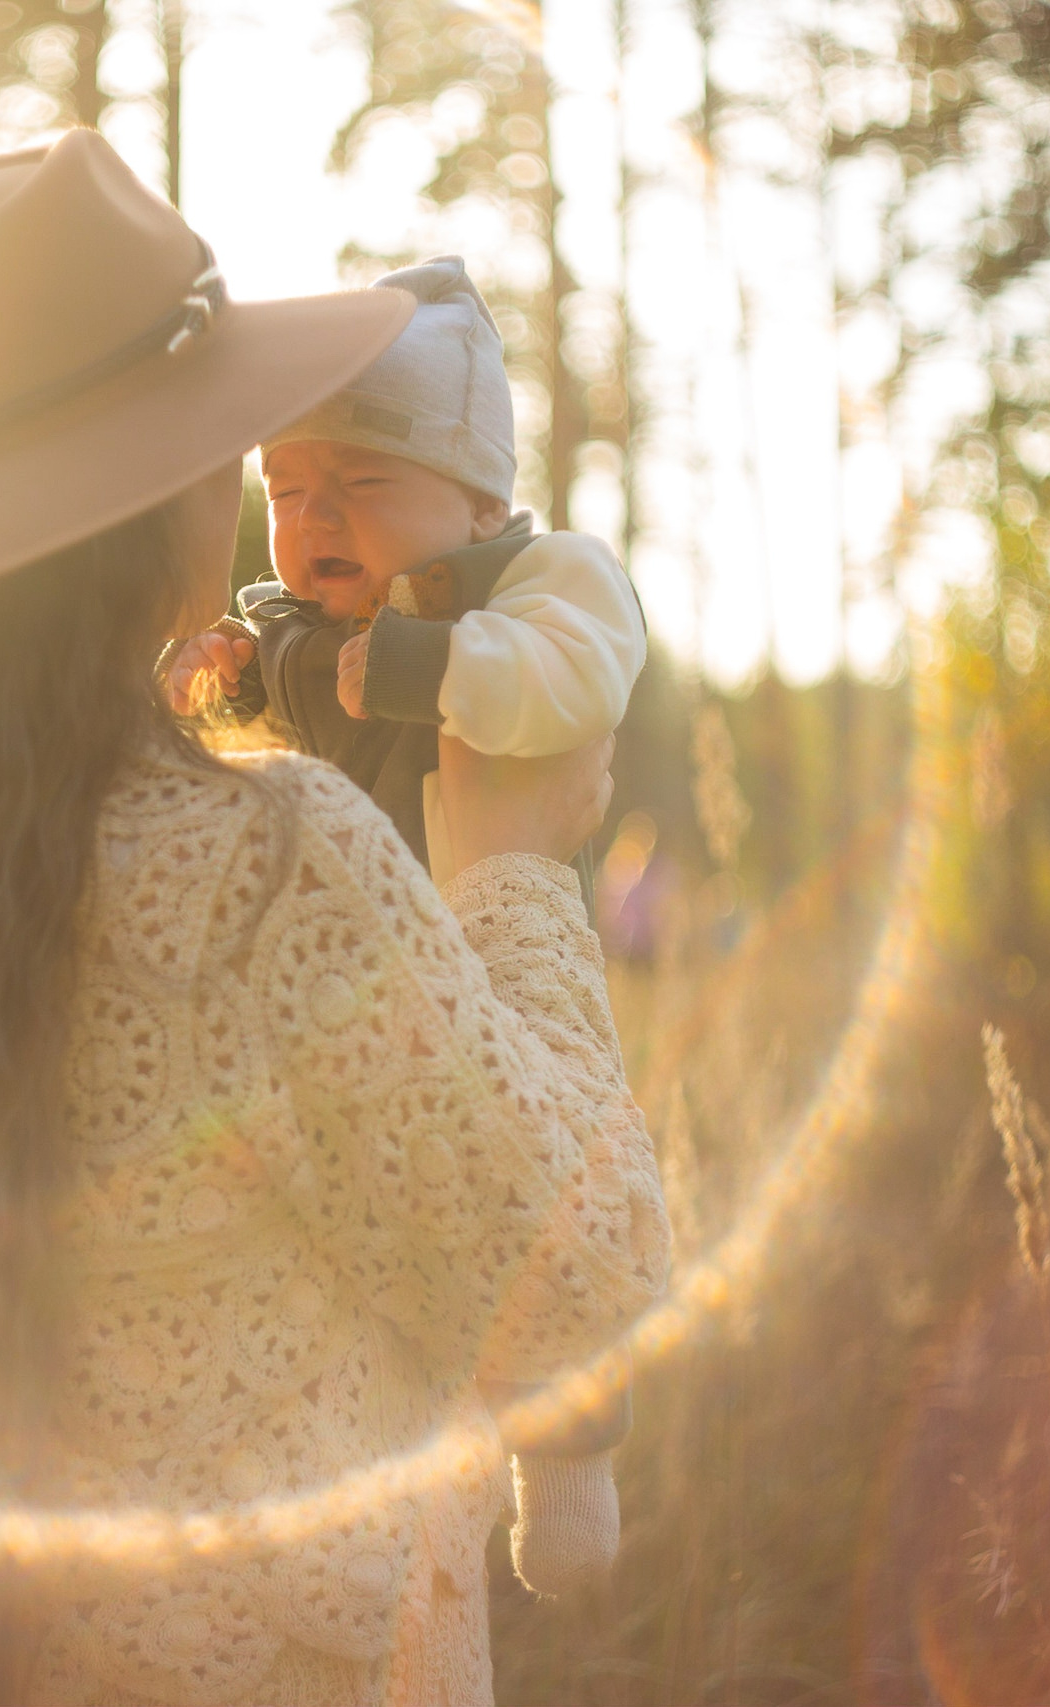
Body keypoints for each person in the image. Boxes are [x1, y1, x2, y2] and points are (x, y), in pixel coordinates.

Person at [0, 129, 667, 1707]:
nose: (246, 487)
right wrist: (518, 866)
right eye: (221, 438)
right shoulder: (261, 869)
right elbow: (582, 1290)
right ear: (140, 493)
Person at [161, 257, 648, 1595]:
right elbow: (240, 728)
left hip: (498, 935)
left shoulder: (537, 580)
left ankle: (569, 1460)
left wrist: (431, 664)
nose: (314, 520)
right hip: (356, 976)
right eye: (285, 492)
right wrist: (201, 681)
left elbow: (579, 676)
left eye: (362, 484)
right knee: (414, 1200)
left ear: (478, 498)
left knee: (548, 1186)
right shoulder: (285, 627)